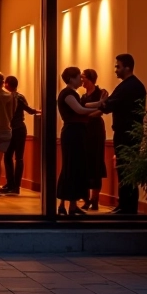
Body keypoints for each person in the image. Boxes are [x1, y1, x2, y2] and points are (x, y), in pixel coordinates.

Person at [99, 54, 147, 215]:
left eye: (117, 66)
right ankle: (126, 205)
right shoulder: (134, 86)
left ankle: (126, 207)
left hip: (126, 134)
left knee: (126, 170)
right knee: (127, 170)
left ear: (127, 67)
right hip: (131, 132)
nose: (115, 70)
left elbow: (108, 105)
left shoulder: (128, 87)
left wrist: (103, 101)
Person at [58, 67, 104, 216]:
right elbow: (80, 110)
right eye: (79, 77)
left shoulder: (73, 94)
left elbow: (84, 105)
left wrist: (100, 103)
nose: (81, 80)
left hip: (76, 133)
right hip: (73, 134)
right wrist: (101, 105)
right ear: (71, 78)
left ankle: (71, 205)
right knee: (71, 167)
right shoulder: (68, 93)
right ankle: (63, 205)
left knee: (75, 168)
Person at [0, 75, 40, 196]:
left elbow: (27, 110)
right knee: (18, 158)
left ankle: (12, 184)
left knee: (9, 157)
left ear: (7, 84)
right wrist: (38, 111)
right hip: (19, 129)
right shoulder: (20, 97)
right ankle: (14, 185)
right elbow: (29, 110)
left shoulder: (11, 97)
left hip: (14, 129)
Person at [80, 69, 108, 211]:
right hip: (85, 130)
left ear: (90, 78)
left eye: (83, 77)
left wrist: (88, 115)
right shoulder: (83, 96)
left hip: (96, 130)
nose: (81, 80)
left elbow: (102, 110)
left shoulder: (100, 92)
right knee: (85, 163)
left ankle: (94, 199)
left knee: (96, 162)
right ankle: (86, 199)